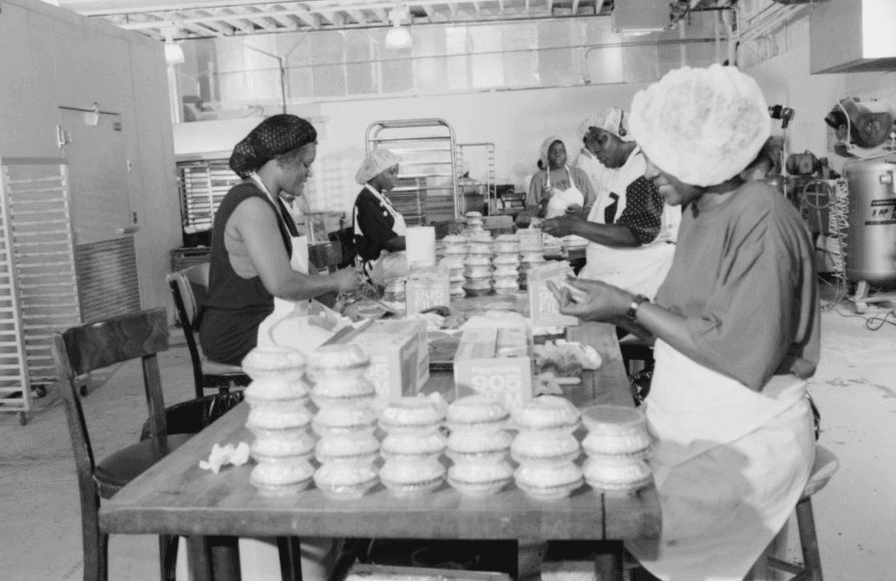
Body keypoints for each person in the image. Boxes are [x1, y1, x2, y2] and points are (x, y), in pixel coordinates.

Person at [550, 65, 819, 581]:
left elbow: (739, 353)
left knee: (625, 520)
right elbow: (684, 324)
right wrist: (610, 310)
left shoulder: (764, 221)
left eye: (662, 157)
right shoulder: (702, 211)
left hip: (745, 431)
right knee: (581, 483)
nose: (649, 172)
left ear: (711, 152)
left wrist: (628, 306)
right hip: (688, 412)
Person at [199, 114, 358, 365]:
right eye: (305, 164)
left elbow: (303, 270)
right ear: (281, 160)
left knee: (350, 335)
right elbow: (282, 284)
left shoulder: (275, 204)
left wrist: (336, 306)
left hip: (269, 319)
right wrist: (336, 281)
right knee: (340, 356)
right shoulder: (252, 205)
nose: (310, 173)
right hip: (240, 331)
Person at [541, 107, 680, 300]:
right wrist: (579, 218)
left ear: (623, 133)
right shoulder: (620, 170)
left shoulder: (642, 170)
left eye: (601, 139)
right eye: (591, 142)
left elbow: (635, 233)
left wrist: (574, 226)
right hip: (616, 279)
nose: (594, 148)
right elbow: (615, 216)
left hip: (637, 283)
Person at [352, 148, 411, 286]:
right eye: (391, 172)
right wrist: (425, 238)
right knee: (423, 267)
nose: (396, 176)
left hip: (389, 259)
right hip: (376, 266)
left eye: (397, 172)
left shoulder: (379, 197)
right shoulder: (366, 201)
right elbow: (390, 242)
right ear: (376, 173)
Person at [525, 137, 596, 219]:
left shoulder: (579, 174)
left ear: (567, 154)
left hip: (578, 229)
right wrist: (544, 203)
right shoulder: (539, 178)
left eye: (561, 151)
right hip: (549, 230)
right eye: (553, 151)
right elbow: (531, 213)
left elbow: (594, 205)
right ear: (546, 155)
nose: (557, 154)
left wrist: (582, 212)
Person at [572, 115, 616, 213]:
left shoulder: (596, 159)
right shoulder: (582, 163)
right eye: (597, 132)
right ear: (587, 135)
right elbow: (583, 198)